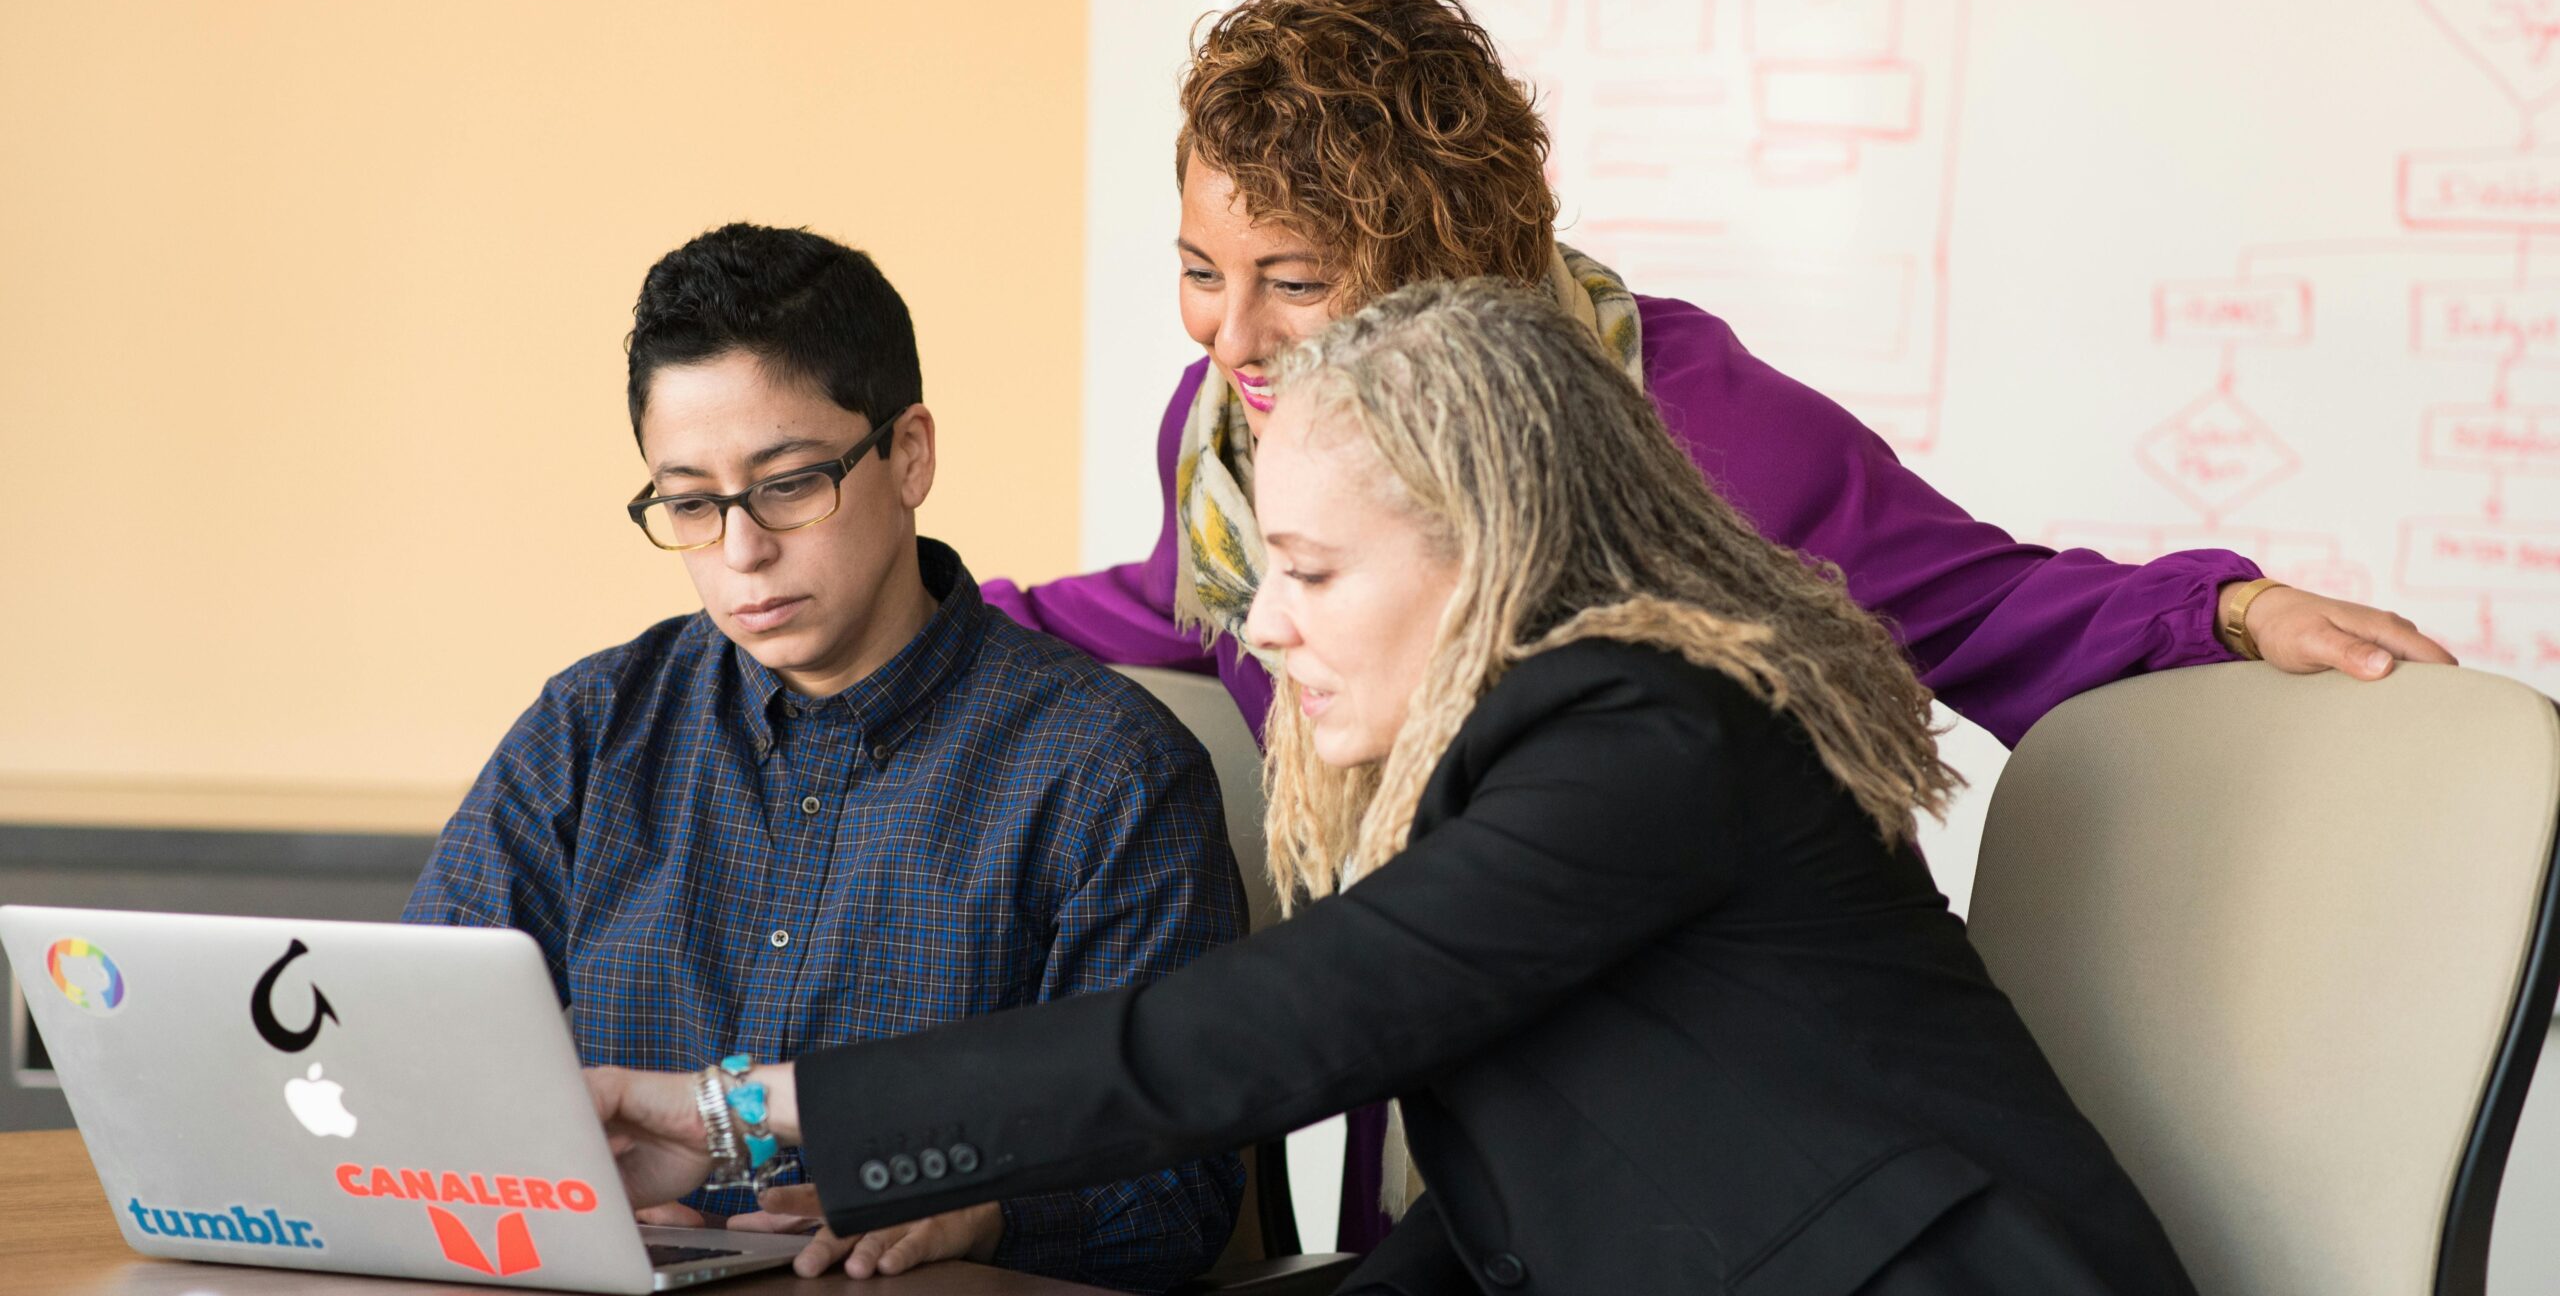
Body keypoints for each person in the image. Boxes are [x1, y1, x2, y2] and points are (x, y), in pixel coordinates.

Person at [976, 0, 2454, 1245]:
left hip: (1716, 1134)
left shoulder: (1697, 422)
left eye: (1292, 281)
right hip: (1480, 1121)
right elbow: (1192, 610)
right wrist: (928, 618)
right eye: (1196, 271)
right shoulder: (1236, 435)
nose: (1232, 335)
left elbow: (1979, 603)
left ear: (1440, 267)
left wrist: (2233, 612)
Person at [590, 279, 2203, 1294]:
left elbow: (1261, 1033)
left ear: (1485, 546)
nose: (1262, 628)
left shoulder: (1647, 738)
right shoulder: (1542, 752)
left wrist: (731, 1111)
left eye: (1303, 570)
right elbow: (1524, 1212)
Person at [405, 223, 1247, 1292]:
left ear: (909, 455)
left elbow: (1178, 1194)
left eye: (789, 483)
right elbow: (418, 1057)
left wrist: (986, 1214)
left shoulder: (1106, 772)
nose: (742, 549)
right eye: (689, 503)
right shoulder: (591, 730)